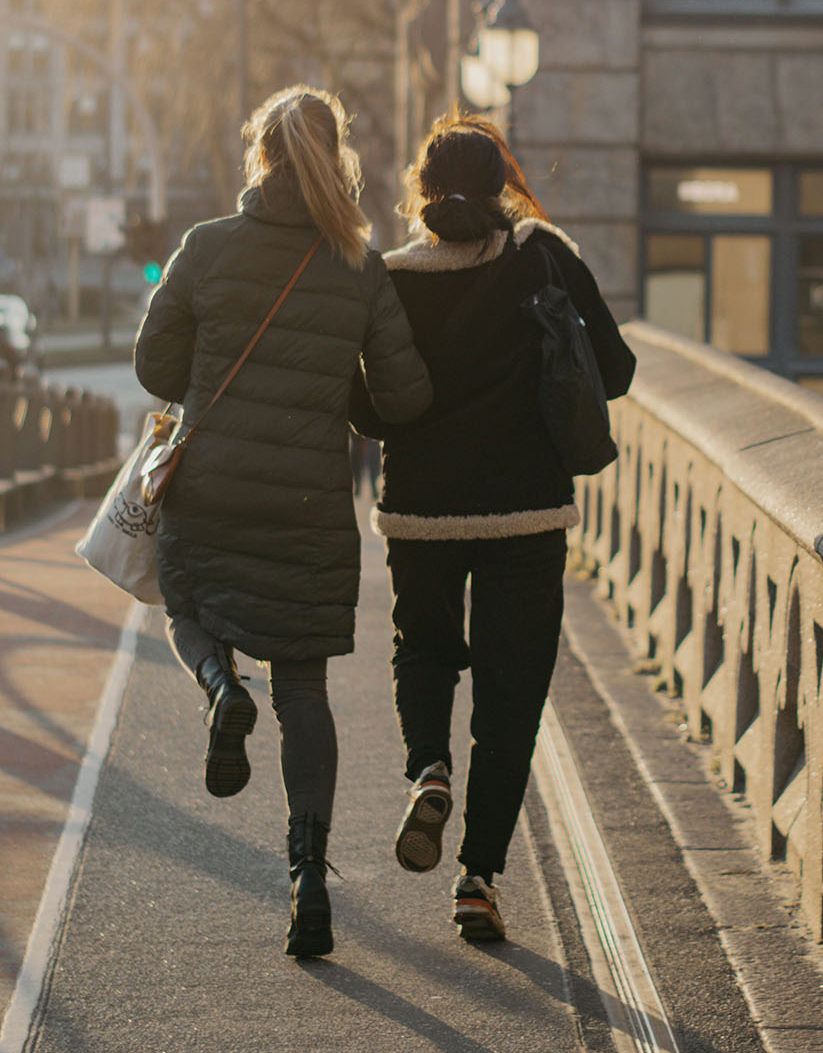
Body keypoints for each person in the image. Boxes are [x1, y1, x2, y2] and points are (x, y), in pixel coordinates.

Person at [134, 86, 431, 959]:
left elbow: (155, 362)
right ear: (335, 157)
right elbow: (404, 399)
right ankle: (307, 873)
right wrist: (338, 385)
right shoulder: (358, 264)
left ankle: (222, 691)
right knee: (304, 689)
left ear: (259, 155)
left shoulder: (206, 248)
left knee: (186, 607)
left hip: (213, 484)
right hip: (307, 504)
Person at [349, 115, 635, 944]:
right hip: (526, 515)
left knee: (424, 648)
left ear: (421, 193)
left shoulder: (391, 278)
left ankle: (428, 769)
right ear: (506, 183)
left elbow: (366, 409)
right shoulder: (543, 254)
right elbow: (613, 370)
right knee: (511, 698)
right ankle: (477, 880)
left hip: (421, 515)